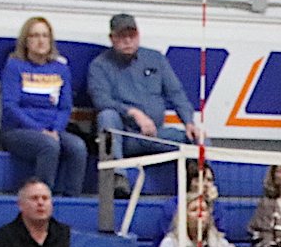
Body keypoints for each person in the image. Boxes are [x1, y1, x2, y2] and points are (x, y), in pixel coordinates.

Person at [86, 13, 203, 194]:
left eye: (131, 35)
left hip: (156, 134)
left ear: (138, 35)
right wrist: (133, 113)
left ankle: (202, 185)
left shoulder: (155, 59)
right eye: (121, 36)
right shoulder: (99, 65)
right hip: (125, 137)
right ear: (112, 38)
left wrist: (189, 122)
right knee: (106, 116)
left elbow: (175, 93)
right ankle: (117, 177)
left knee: (199, 138)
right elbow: (101, 100)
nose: (127, 41)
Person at [0, 15, 87, 195]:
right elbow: (10, 107)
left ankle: (72, 199)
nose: (41, 41)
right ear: (26, 41)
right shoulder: (14, 67)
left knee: (78, 147)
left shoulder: (60, 69)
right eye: (35, 36)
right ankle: (42, 197)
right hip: (18, 131)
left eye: (45, 36)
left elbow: (65, 107)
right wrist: (40, 130)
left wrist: (55, 130)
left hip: (53, 131)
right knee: (49, 146)